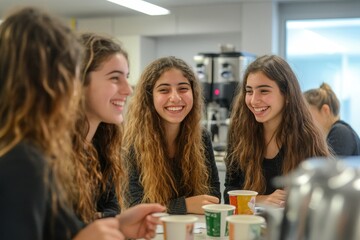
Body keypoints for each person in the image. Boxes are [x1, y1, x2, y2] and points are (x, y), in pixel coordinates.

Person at [0, 6, 164, 240]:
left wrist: (117, 225)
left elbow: (59, 229)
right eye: (70, 73)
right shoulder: (22, 159)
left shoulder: (35, 153)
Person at [224, 55, 331, 207]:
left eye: (264, 91)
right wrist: (261, 200)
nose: (254, 100)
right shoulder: (240, 133)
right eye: (249, 91)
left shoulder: (307, 137)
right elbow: (230, 193)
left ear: (287, 95)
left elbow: (323, 197)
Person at [123, 56, 221, 214]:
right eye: (164, 90)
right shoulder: (130, 143)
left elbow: (213, 197)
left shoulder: (202, 137)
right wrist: (185, 206)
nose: (175, 98)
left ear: (193, 93)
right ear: (149, 96)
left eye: (183, 88)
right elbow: (135, 206)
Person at [71, 32, 133, 223]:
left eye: (127, 77)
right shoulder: (48, 155)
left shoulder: (102, 143)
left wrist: (121, 224)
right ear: (79, 82)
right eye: (115, 78)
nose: (128, 89)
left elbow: (111, 207)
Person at [304, 83, 360, 156]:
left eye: (307, 113)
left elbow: (329, 167)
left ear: (325, 110)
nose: (304, 118)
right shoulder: (338, 132)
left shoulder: (340, 131)